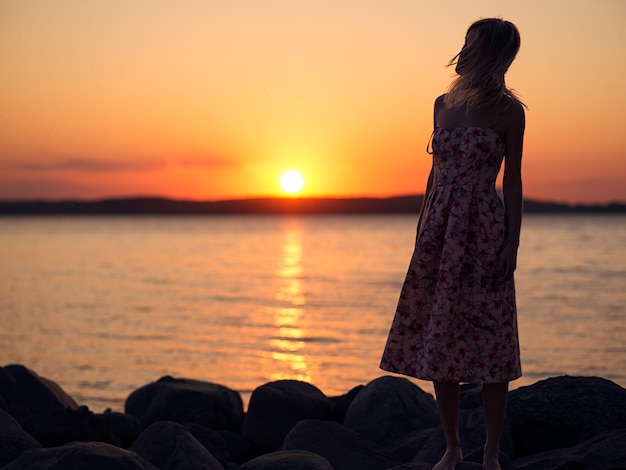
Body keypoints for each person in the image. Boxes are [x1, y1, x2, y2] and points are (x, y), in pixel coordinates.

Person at [380, 18, 526, 470]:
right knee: (440, 334)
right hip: (439, 230)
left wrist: (511, 245)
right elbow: (433, 173)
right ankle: (452, 448)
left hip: (484, 226)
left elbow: (515, 181)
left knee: (491, 339)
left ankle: (491, 452)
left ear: (495, 55)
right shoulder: (442, 104)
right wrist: (423, 226)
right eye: (464, 43)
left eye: (474, 46)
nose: (463, 52)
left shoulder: (509, 112)